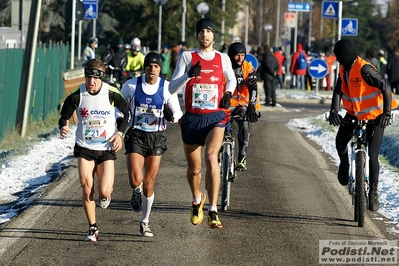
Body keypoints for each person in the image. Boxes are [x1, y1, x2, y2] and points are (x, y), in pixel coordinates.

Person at [168, 17, 237, 229]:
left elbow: (232, 79)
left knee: (210, 158)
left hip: (215, 116)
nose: (204, 35)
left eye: (208, 31)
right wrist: (188, 75)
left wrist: (227, 93)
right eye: (201, 31)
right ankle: (197, 200)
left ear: (214, 35)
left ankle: (213, 210)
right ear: (197, 35)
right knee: (195, 170)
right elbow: (171, 88)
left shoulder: (222, 58)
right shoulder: (187, 57)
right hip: (192, 118)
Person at [58, 59, 130, 241]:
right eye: (88, 77)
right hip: (85, 147)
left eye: (95, 79)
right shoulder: (77, 95)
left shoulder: (111, 93)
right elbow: (64, 114)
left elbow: (126, 115)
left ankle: (105, 196)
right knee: (87, 186)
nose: (91, 82)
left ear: (101, 78)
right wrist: (64, 126)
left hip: (106, 148)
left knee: (105, 191)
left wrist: (120, 134)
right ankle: (92, 227)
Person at [328, 40, 397, 211]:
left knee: (373, 153)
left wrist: (386, 113)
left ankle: (373, 193)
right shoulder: (344, 69)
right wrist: (334, 111)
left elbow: (385, 87)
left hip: (376, 115)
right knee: (340, 142)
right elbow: (338, 90)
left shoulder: (364, 69)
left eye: (337, 55)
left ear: (343, 55)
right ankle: (344, 164)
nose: (336, 59)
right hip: (354, 114)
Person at [121, 52, 182, 237]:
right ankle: (136, 191)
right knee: (135, 179)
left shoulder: (167, 88)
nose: (152, 70)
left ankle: (145, 222)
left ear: (159, 69)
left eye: (156, 66)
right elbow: (120, 107)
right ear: (145, 68)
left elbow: (177, 113)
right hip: (136, 135)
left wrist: (170, 115)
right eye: (149, 66)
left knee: (149, 182)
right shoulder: (131, 85)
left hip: (156, 137)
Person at [227, 42, 260, 171]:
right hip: (226, 104)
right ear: (231, 56)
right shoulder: (224, 66)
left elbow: (254, 88)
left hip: (242, 104)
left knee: (244, 124)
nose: (240, 58)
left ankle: (242, 158)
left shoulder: (248, 68)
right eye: (237, 55)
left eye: (242, 55)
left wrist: (252, 106)